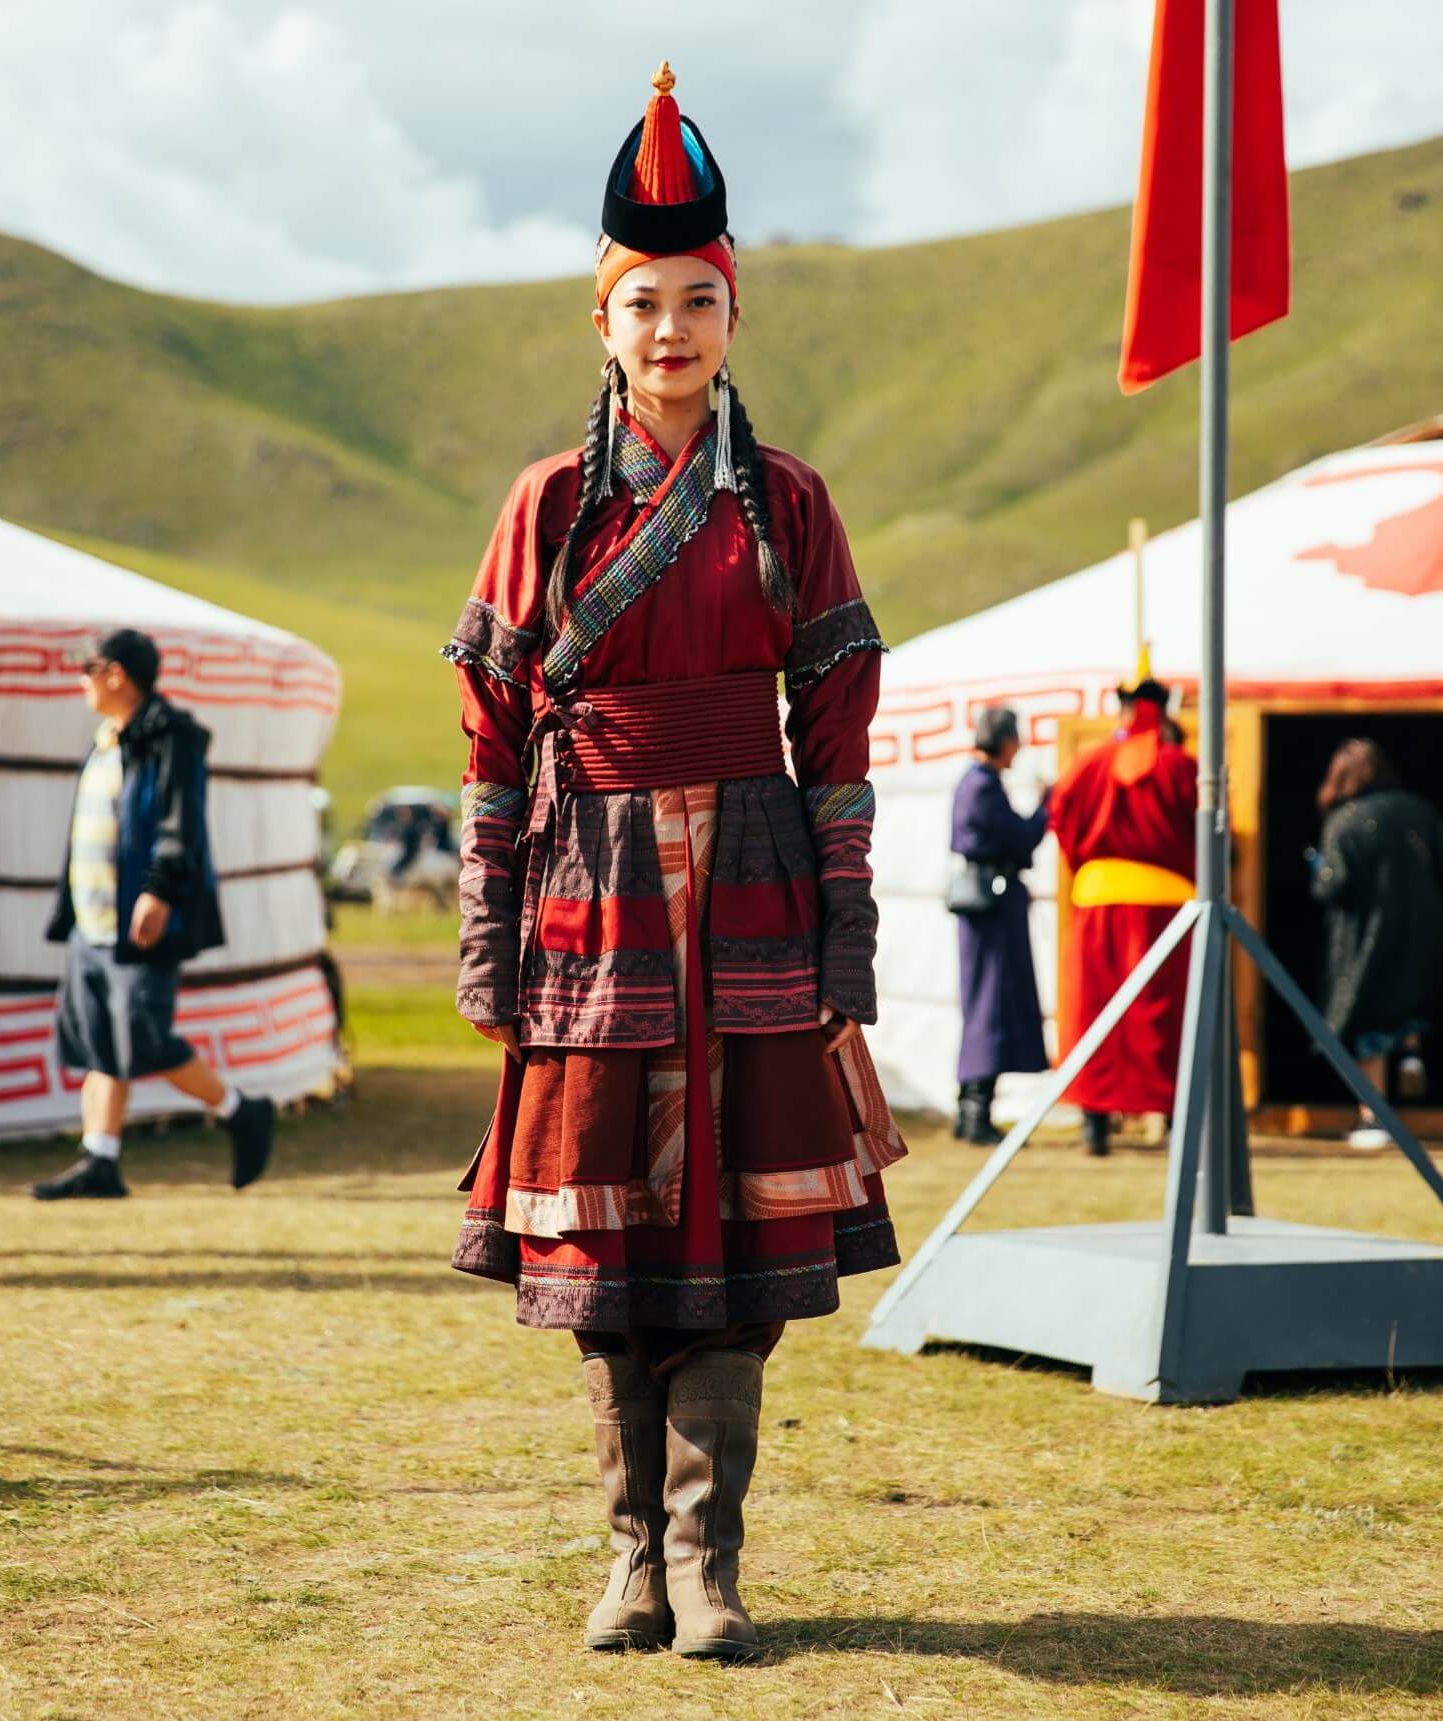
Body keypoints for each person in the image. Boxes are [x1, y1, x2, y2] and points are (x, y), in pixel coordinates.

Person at [444, 64, 905, 1662]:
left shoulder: (788, 502)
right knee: (614, 1235)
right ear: (603, 320)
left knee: (738, 1241)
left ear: (733, 313)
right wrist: (486, 940)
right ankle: (629, 1558)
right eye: (644, 303)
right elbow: (493, 734)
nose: (671, 331)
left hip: (759, 894)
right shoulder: (549, 506)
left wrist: (845, 941)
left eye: (698, 300)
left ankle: (710, 1565)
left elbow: (834, 731)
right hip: (593, 897)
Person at [30, 629, 275, 1199]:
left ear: (115, 674)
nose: (81, 681)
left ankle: (242, 1110)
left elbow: (180, 821)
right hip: (91, 919)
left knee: (140, 1036)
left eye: (87, 670)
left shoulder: (171, 736)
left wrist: (159, 891)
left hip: (142, 916)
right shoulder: (107, 738)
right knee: (98, 1038)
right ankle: (101, 1159)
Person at [1048, 651, 1196, 1155]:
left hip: (1098, 908)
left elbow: (1061, 819)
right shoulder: (1182, 767)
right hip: (1166, 911)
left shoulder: (1089, 763)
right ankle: (1175, 1119)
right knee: (1166, 1017)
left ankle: (1097, 1123)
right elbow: (1202, 830)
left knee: (1099, 1013)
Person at [1308, 739, 1443, 1150]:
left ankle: (1374, 1114)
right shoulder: (1421, 812)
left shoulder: (1344, 820)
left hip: (1365, 936)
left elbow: (1335, 886)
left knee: (1367, 1022)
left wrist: (1318, 869)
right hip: (1424, 927)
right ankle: (1413, 1052)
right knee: (1409, 1006)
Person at [949, 707, 1051, 1146]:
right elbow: (1021, 836)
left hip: (987, 908)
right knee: (991, 1004)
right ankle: (976, 1114)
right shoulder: (983, 786)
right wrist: (1048, 806)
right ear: (1005, 741)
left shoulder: (973, 783)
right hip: (993, 911)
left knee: (985, 1002)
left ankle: (970, 1109)